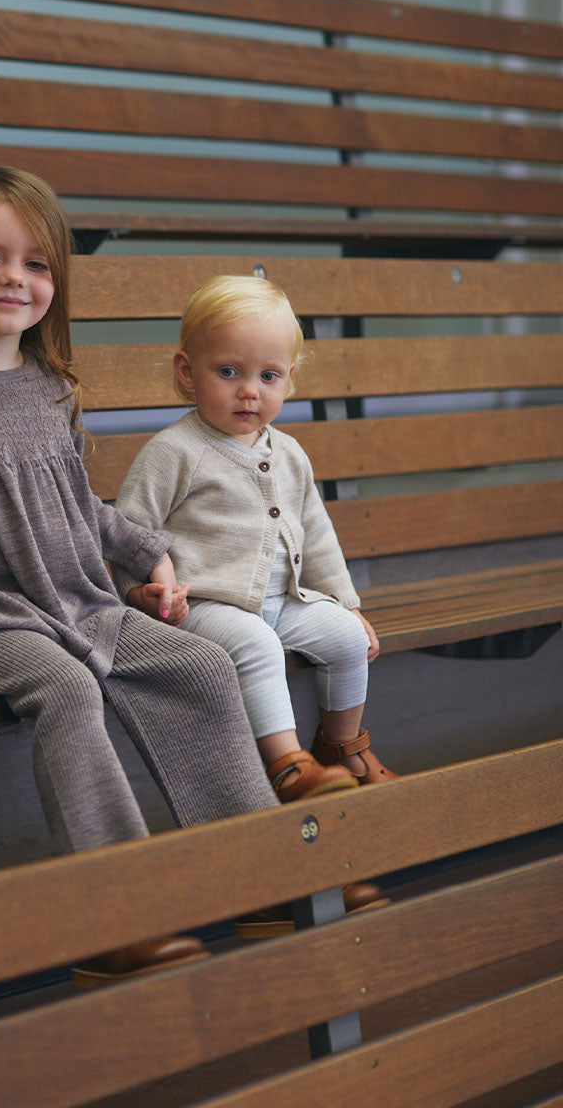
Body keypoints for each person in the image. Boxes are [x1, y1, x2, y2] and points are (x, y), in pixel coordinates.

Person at [0, 168, 280, 982]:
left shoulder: (52, 389)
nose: (15, 278)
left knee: (202, 664)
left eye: (37, 264)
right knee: (69, 690)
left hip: (80, 603)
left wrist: (148, 555)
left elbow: (77, 510)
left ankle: (255, 873)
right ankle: (118, 915)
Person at [114, 273, 398, 814]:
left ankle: (342, 748)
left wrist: (346, 603)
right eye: (228, 372)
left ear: (289, 380)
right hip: (204, 606)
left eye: (268, 375)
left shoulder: (289, 453)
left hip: (283, 601)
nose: (250, 390)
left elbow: (315, 531)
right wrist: (140, 593)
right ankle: (288, 766)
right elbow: (130, 531)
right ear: (187, 371)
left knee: (345, 639)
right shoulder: (174, 451)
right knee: (258, 647)